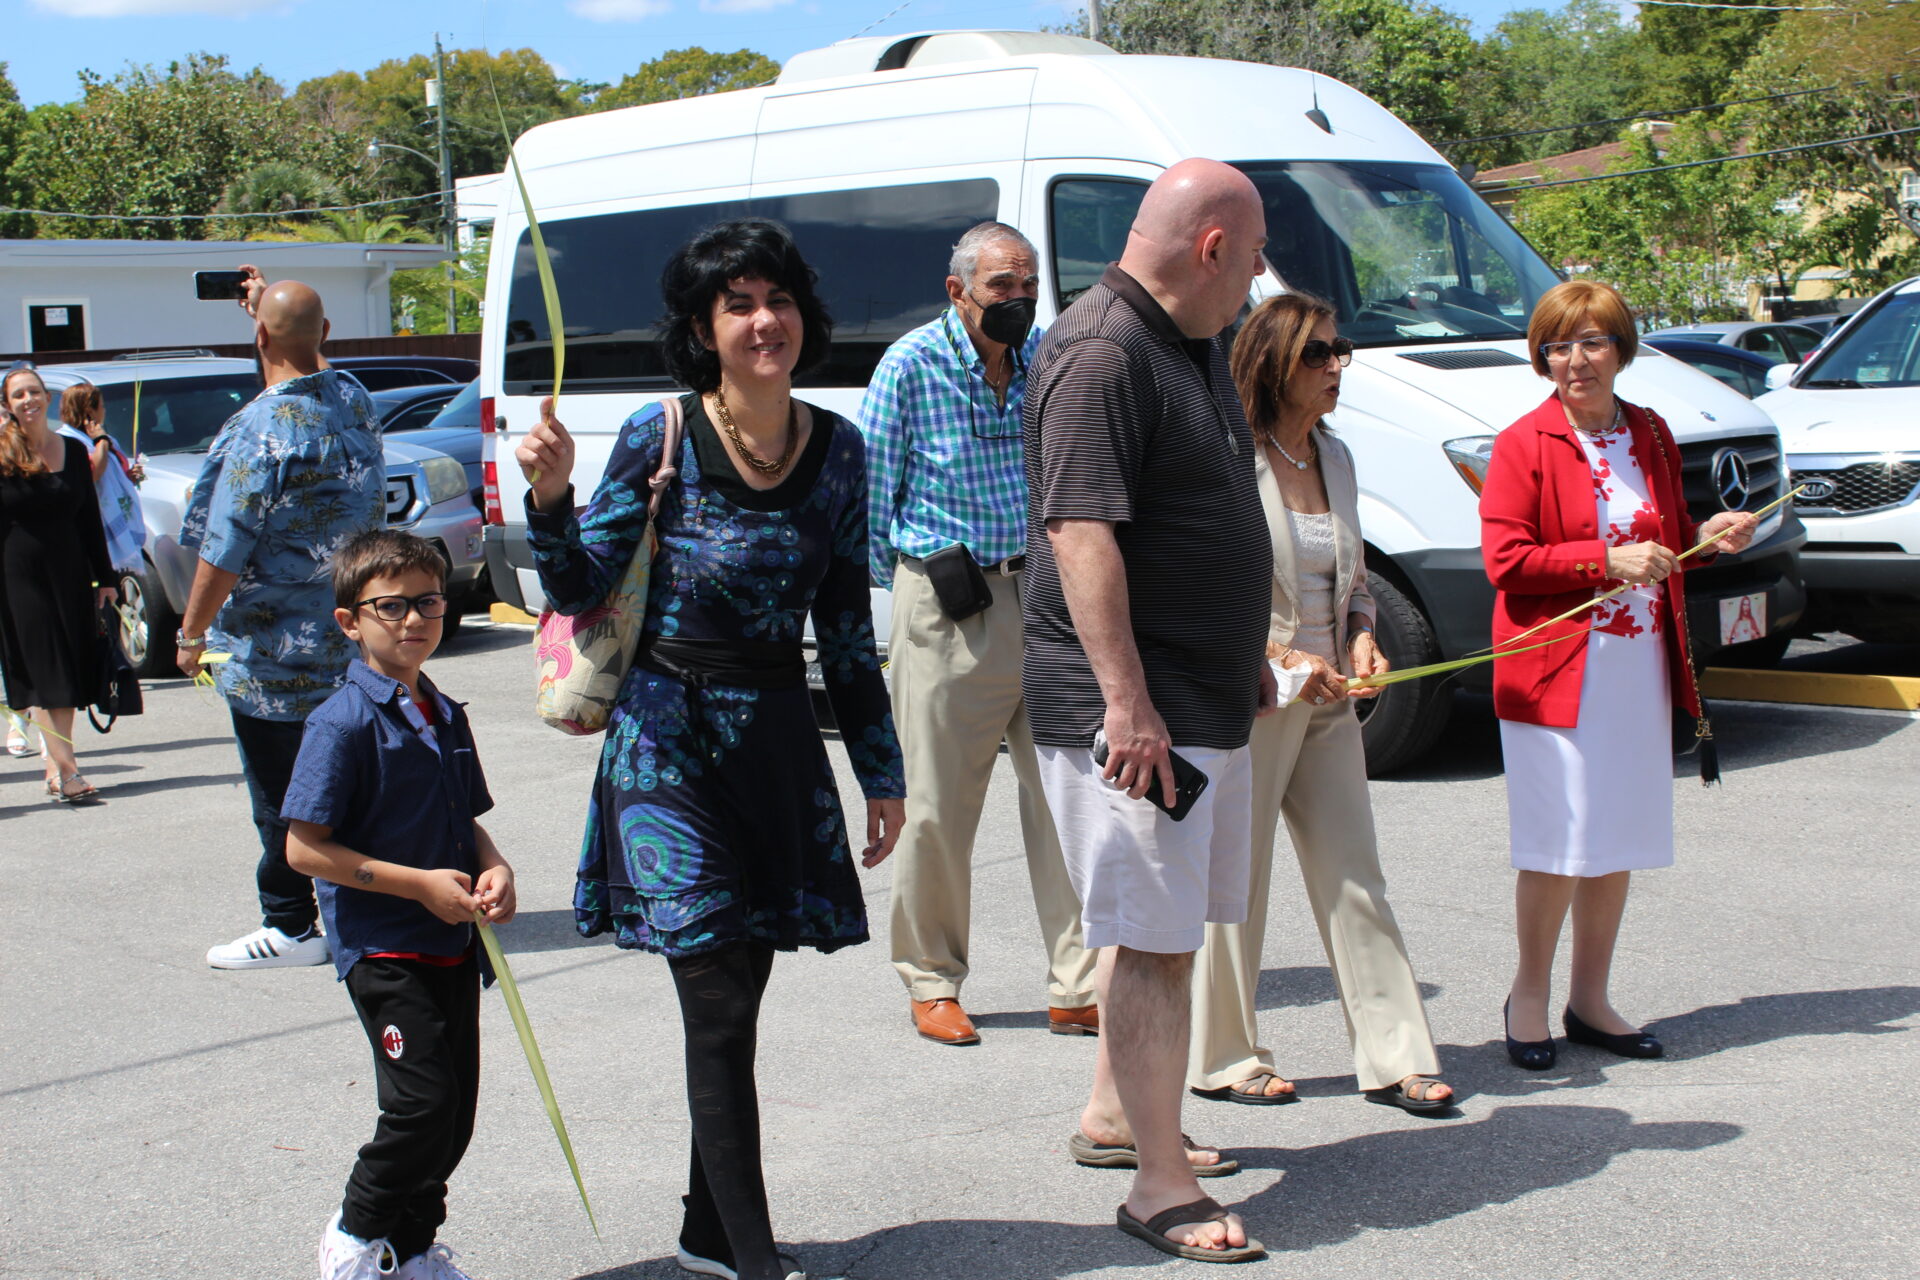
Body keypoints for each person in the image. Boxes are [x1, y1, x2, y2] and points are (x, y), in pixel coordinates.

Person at [516, 217, 904, 1280]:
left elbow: (847, 632)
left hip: (777, 750)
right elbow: (577, 587)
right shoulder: (661, 433)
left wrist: (880, 771)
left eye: (776, 298)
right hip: (665, 744)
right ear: (703, 326)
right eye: (738, 304)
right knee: (718, 1001)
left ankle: (704, 1225)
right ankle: (750, 1255)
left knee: (741, 998)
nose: (763, 319)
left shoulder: (840, 451)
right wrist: (551, 498)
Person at [1023, 159, 1274, 1263]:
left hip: (1198, 690)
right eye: (1255, 258)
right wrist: (1127, 702)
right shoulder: (1101, 349)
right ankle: (1158, 1186)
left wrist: (1245, 647)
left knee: (1161, 933)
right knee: (1155, 939)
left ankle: (1121, 1115)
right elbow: (1081, 532)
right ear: (1212, 247)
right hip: (1134, 707)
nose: (1260, 282)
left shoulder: (1186, 340)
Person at [1186, 293, 1454, 1114]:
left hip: (1332, 698)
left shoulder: (1334, 457)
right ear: (1273, 361)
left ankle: (1397, 1055)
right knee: (1239, 880)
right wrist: (1287, 656)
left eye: (1343, 351)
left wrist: (1364, 638)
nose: (1338, 366)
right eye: (1319, 354)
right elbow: (1206, 595)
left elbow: (1355, 579)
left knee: (1355, 876)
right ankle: (1225, 1056)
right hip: (1256, 697)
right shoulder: (1231, 459)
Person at [1482, 279, 1757, 1069]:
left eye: (1592, 342)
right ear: (1542, 360)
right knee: (1559, 840)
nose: (1575, 361)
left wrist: (1708, 534)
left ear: (1621, 350)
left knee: (1617, 838)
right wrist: (1601, 561)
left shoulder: (1652, 433)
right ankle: (1528, 995)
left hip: (1636, 666)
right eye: (1557, 346)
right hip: (1554, 671)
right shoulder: (1523, 443)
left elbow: (1663, 536)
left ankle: (1590, 998)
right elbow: (1507, 562)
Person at [859, 221, 1096, 1046]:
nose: (1020, 299)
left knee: (1069, 795)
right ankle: (932, 980)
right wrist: (907, 608)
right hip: (949, 605)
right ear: (958, 290)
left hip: (1049, 597)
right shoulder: (910, 366)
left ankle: (1080, 981)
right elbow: (872, 503)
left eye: (1028, 283)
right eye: (1002, 286)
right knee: (935, 808)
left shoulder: (1045, 360)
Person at [283, 530, 514, 1280]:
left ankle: (410, 1252)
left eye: (428, 601)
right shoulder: (342, 722)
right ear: (351, 621)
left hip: (452, 943)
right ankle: (355, 1235)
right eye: (392, 606)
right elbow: (304, 849)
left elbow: (465, 820)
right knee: (420, 1105)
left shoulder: (444, 711)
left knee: (453, 1120)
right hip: (386, 947)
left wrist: (495, 864)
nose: (413, 619)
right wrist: (417, 884)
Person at [179, 268, 386, 970]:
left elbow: (224, 547)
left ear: (261, 335)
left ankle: (291, 924)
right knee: (348, 782)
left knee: (282, 794)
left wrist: (190, 634)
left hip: (275, 658)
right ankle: (363, 903)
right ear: (326, 333)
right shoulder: (352, 400)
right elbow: (309, 355)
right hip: (352, 643)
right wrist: (271, 315)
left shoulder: (265, 429)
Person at [0, 364, 117, 803]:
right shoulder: (2, 452)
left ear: (47, 398)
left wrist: (105, 578)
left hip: (69, 573)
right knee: (47, 669)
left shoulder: (72, 450)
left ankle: (55, 766)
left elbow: (90, 520)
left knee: (66, 668)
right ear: (7, 406)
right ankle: (67, 771)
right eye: (18, 396)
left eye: (34, 392)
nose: (28, 401)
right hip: (16, 575)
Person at [55, 382, 147, 575]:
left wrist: (128, 476)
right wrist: (101, 442)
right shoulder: (69, 442)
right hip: (92, 525)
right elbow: (94, 474)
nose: (105, 411)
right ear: (90, 410)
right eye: (102, 406)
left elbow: (112, 476)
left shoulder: (108, 440)